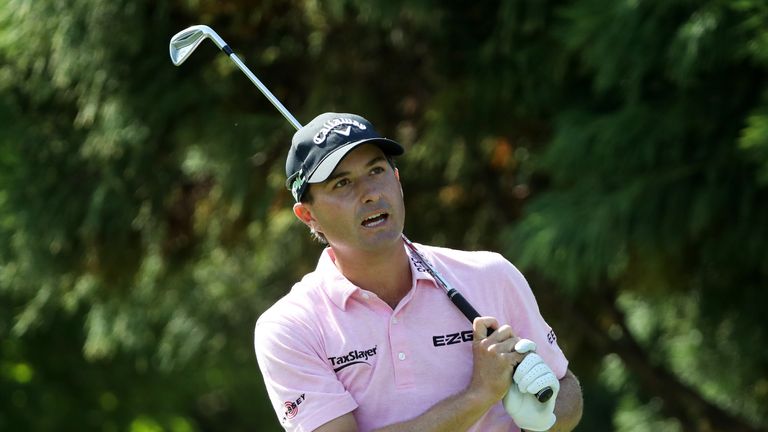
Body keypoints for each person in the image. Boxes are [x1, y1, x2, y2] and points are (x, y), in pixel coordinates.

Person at [254, 112, 583, 432]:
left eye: (376, 171)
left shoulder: (490, 275)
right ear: (307, 215)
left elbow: (566, 390)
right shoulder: (290, 327)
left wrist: (542, 416)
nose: (370, 193)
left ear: (396, 180)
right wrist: (479, 395)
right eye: (342, 183)